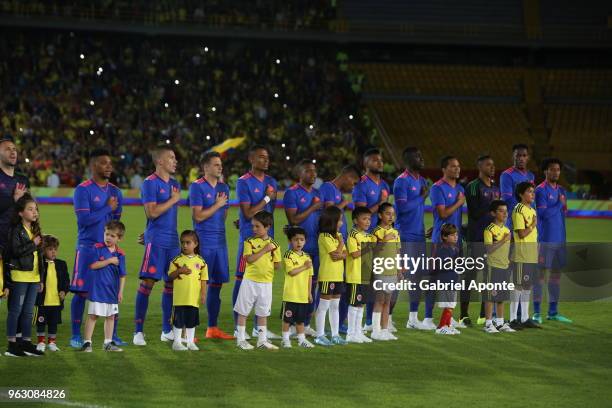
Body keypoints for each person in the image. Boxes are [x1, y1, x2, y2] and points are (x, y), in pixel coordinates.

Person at [70, 149, 123, 348]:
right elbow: (84, 220)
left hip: (108, 249)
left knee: (110, 291)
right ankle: (76, 335)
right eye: (104, 163)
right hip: (87, 248)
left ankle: (112, 336)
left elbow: (116, 224)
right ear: (93, 166)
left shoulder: (116, 192)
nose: (109, 166)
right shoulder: (83, 190)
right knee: (82, 292)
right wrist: (107, 208)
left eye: (110, 163)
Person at [133, 145, 181, 346]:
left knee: (171, 284)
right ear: (159, 161)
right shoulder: (150, 183)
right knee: (148, 284)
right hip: (157, 241)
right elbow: (151, 213)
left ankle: (166, 330)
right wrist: (172, 200)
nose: (175, 161)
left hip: (173, 241)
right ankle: (138, 333)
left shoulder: (176, 183)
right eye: (171, 157)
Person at [233, 145, 279, 340]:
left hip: (268, 238)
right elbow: (249, 213)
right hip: (249, 238)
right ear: (251, 159)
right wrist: (267, 196)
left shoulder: (271, 181)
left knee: (264, 281)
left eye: (267, 157)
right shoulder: (243, 182)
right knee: (242, 279)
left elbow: (269, 214)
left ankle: (258, 328)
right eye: (261, 157)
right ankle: (238, 327)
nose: (266, 160)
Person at [189, 151, 233, 340]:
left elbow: (224, 214)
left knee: (217, 284)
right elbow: (197, 216)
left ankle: (212, 328)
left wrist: (220, 207)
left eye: (220, 164)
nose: (220, 167)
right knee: (197, 285)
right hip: (204, 241)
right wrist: (217, 205)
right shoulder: (196, 187)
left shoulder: (224, 187)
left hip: (220, 242)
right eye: (216, 164)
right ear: (205, 167)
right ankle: (188, 331)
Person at [283, 159, 322, 336]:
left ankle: (305, 324)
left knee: (311, 286)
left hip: (315, 246)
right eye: (308, 171)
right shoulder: (292, 193)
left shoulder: (317, 193)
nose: (313, 174)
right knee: (296, 284)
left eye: (314, 170)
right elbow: (294, 220)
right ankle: (291, 324)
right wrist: (313, 207)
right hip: (299, 248)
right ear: (300, 174)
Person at [319, 165, 360, 334]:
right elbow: (330, 211)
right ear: (347, 177)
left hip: (339, 244)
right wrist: (343, 204)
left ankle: (336, 327)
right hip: (331, 246)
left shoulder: (338, 192)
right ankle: (319, 327)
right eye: (354, 182)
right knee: (325, 294)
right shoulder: (328, 188)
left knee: (338, 292)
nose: (353, 186)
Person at [352, 148, 390, 332]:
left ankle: (371, 322)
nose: (380, 163)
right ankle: (355, 324)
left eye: (381, 160)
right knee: (362, 282)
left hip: (380, 240)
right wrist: (380, 203)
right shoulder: (361, 185)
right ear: (366, 163)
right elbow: (361, 215)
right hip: (364, 240)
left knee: (378, 283)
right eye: (375, 160)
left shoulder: (384, 185)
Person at [426, 156, 465, 330]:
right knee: (435, 281)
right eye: (452, 166)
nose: (457, 169)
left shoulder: (460, 188)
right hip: (440, 243)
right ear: (444, 169)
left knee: (452, 280)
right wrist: (459, 202)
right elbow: (442, 214)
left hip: (455, 241)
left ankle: (447, 318)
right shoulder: (437, 188)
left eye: (458, 166)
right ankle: (428, 317)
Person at [233, 211, 281, 350]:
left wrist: (272, 257)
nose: (254, 229)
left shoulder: (275, 245)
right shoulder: (249, 242)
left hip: (266, 283)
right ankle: (241, 340)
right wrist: (265, 250)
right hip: (250, 282)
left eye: (257, 226)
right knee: (243, 311)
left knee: (263, 312)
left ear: (267, 227)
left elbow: (277, 266)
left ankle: (261, 340)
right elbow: (249, 259)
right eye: (253, 226)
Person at [393, 147, 429, 330]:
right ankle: (387, 317)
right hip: (405, 236)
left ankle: (413, 319)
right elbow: (403, 209)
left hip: (418, 236)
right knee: (400, 276)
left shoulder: (421, 180)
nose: (421, 158)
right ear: (408, 160)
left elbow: (418, 211)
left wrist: (423, 231)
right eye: (418, 156)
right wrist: (421, 197)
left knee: (418, 277)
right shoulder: (401, 182)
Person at [4, 195, 44, 357]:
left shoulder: (35, 230)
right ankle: (12, 345)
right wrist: (32, 244)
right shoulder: (16, 230)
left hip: (33, 278)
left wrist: (40, 277)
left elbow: (39, 258)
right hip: (19, 276)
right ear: (21, 213)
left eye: (36, 209)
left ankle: (26, 342)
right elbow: (15, 252)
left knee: (28, 312)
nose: (34, 212)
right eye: (30, 209)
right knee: (16, 311)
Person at [534, 158, 572, 323]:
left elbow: (564, 212)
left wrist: (562, 206)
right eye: (552, 169)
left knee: (556, 276)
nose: (555, 172)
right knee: (540, 276)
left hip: (559, 240)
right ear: (545, 171)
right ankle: (536, 313)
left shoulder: (562, 190)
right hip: (545, 240)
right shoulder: (540, 190)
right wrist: (559, 204)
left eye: (557, 169)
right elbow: (543, 215)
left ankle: (553, 312)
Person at [464, 155, 500, 326]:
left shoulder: (496, 188)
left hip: (492, 240)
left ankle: (483, 315)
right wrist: (492, 206)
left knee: (488, 278)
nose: (492, 167)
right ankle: (463, 314)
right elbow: (474, 212)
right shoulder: (473, 187)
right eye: (488, 164)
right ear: (479, 166)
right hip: (477, 238)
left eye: (493, 164)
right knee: (470, 277)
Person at [82, 221, 127, 352]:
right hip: (98, 289)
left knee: (111, 316)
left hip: (112, 290)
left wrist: (120, 292)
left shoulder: (121, 254)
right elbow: (92, 265)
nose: (108, 237)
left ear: (119, 238)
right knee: (93, 315)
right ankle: (87, 343)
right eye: (107, 234)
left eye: (112, 236)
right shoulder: (97, 247)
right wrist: (109, 261)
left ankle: (108, 343)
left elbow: (122, 275)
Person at [167, 230, 208, 351]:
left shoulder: (201, 262)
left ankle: (190, 342)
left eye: (188, 243)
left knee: (191, 321)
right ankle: (177, 342)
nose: (184, 245)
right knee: (178, 321)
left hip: (193, 298)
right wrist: (179, 271)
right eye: (182, 243)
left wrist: (203, 294)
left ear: (195, 244)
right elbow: (170, 276)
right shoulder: (176, 261)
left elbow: (204, 280)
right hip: (180, 298)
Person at [509, 182, 541, 330]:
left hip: (531, 253)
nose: (532, 194)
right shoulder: (518, 210)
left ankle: (525, 318)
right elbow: (521, 234)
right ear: (521, 194)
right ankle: (513, 319)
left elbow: (533, 235)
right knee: (518, 285)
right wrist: (533, 224)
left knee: (527, 286)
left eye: (533, 191)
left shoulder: (532, 210)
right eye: (529, 191)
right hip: (521, 254)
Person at [315, 206, 347, 346]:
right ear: (332, 221)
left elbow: (345, 255)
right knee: (324, 306)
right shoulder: (324, 236)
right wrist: (341, 245)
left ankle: (335, 335)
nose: (342, 223)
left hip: (338, 276)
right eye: (340, 220)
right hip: (327, 276)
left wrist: (341, 251)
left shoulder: (338, 236)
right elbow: (335, 255)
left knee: (335, 306)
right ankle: (319, 335)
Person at [482, 200, 516, 333]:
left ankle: (500, 323)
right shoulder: (489, 230)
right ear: (493, 213)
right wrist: (503, 240)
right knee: (491, 296)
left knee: (501, 296)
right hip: (492, 267)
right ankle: (488, 323)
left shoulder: (507, 230)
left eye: (506, 211)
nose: (505, 214)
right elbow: (489, 249)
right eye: (501, 211)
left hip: (504, 267)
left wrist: (510, 259)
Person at [280, 226, 315, 348]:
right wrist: (305, 267)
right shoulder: (288, 255)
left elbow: (310, 276)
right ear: (290, 241)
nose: (299, 242)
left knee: (300, 320)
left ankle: (301, 340)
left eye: (302, 239)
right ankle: (285, 340)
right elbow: (291, 272)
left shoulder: (307, 257)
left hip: (302, 296)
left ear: (305, 241)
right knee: (287, 320)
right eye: (296, 239)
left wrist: (309, 293)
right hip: (291, 295)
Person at [345, 207, 375, 344]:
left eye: (369, 219)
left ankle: (358, 331)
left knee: (361, 304)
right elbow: (354, 253)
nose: (368, 222)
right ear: (356, 221)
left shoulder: (369, 236)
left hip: (366, 275)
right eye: (364, 219)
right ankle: (350, 333)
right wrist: (368, 247)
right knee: (354, 304)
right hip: (355, 276)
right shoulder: (353, 235)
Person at [371, 203, 401, 341]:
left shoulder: (395, 232)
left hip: (392, 271)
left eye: (392, 214)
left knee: (388, 301)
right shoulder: (376, 232)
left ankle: (384, 329)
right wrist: (384, 240)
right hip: (380, 270)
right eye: (388, 213)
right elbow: (373, 251)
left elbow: (397, 252)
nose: (391, 216)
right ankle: (375, 331)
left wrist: (399, 270)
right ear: (380, 215)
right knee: (379, 300)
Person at [35, 235, 69, 352]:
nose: (53, 252)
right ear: (43, 250)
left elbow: (66, 281)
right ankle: (40, 342)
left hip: (56, 301)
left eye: (55, 249)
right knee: (40, 322)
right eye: (50, 249)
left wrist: (64, 291)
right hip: (42, 301)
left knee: (53, 323)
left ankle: (52, 342)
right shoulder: (39, 264)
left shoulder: (61, 264)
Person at [0, 136, 29, 254]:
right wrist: (14, 199)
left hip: (18, 243)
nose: (13, 152)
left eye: (14, 149)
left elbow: (30, 209)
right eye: (8, 149)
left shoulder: (23, 179)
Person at [433, 224, 461, 335]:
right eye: (452, 235)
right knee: (449, 305)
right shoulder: (442, 250)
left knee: (451, 305)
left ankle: (448, 325)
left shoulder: (454, 249)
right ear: (445, 237)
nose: (456, 237)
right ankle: (441, 327)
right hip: (446, 281)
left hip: (453, 280)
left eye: (456, 234)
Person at [500, 144, 535, 229]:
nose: (521, 158)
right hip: (514, 221)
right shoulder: (507, 175)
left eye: (524, 155)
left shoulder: (531, 176)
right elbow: (507, 200)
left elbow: (532, 199)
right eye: (518, 155)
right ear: (513, 157)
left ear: (528, 158)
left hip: (529, 220)